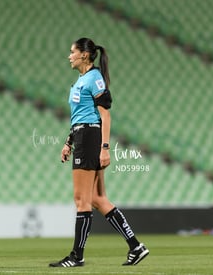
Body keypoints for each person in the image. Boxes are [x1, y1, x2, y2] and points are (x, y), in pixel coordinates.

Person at [49, 38, 149, 267]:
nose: (69, 56)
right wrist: (68, 141)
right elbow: (81, 117)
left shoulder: (94, 79)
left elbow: (104, 115)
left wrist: (105, 148)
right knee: (97, 198)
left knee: (81, 199)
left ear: (85, 55)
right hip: (83, 136)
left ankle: (77, 256)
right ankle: (136, 246)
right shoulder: (82, 80)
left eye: (72, 52)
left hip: (91, 139)